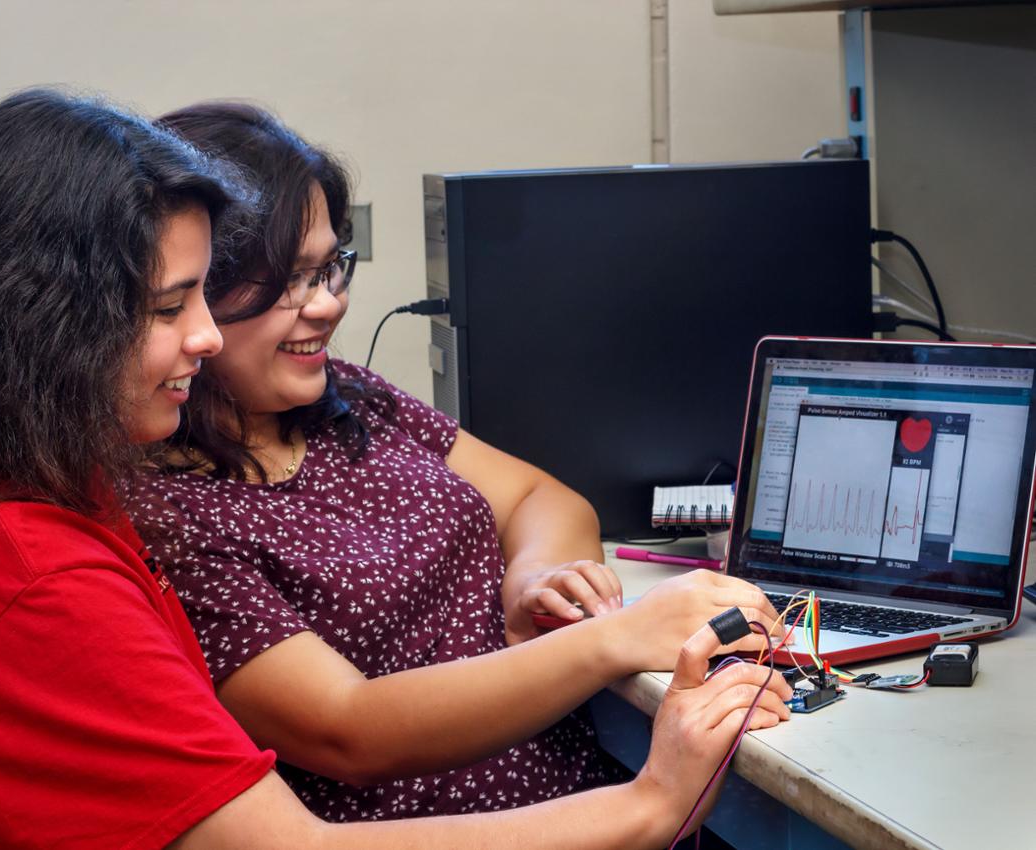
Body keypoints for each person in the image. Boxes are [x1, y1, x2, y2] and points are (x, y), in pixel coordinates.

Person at [0, 88, 790, 849]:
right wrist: (651, 802)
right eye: (171, 308)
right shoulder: (21, 574)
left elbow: (536, 499)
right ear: (44, 328)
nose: (206, 337)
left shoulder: (0, 492)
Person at [125, 102, 789, 821]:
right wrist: (611, 638)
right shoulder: (168, 515)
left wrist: (534, 576)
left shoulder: (350, 401)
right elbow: (349, 729)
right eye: (290, 280)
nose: (326, 307)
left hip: (585, 798)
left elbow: (542, 497)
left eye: (331, 269)